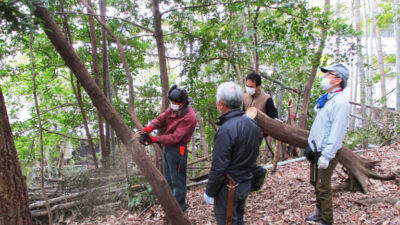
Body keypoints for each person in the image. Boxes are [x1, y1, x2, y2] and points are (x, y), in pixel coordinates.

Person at [203, 81, 260, 224]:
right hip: (245, 182)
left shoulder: (226, 129)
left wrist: (210, 191)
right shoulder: (252, 124)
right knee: (239, 220)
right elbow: (254, 153)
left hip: (229, 187)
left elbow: (219, 166)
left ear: (221, 103)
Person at [305, 63, 350, 225]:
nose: (324, 77)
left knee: (323, 186)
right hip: (316, 148)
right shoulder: (328, 98)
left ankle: (327, 219)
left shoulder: (341, 103)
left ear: (338, 80)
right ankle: (319, 210)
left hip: (326, 151)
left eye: (329, 74)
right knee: (315, 181)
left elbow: (337, 132)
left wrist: (327, 155)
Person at [141, 85, 197, 211]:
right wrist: (149, 128)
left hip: (179, 150)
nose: (173, 104)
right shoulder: (173, 108)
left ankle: (180, 211)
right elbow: (162, 118)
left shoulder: (189, 117)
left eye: (175, 103)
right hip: (167, 148)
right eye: (172, 102)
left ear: (183, 103)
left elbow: (175, 138)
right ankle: (172, 209)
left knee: (178, 181)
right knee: (169, 180)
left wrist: (155, 139)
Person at [242, 73, 278, 192]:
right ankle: (252, 179)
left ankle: (257, 180)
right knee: (243, 158)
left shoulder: (266, 99)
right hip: (244, 132)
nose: (249, 88)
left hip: (257, 134)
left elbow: (274, 117)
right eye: (247, 85)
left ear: (258, 86)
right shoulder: (245, 96)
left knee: (250, 158)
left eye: (251, 86)